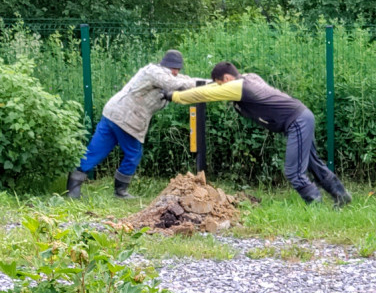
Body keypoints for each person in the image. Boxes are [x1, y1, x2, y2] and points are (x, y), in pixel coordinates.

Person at [162, 62, 352, 208]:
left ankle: (316, 207)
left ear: (227, 79)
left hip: (297, 121)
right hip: (302, 116)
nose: (221, 89)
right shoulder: (249, 77)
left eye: (221, 84)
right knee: (314, 164)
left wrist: (175, 96)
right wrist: (197, 85)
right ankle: (341, 197)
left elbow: (203, 95)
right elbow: (210, 88)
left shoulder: (239, 87)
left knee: (294, 172)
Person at [66, 50, 197, 199]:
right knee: (133, 153)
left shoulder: (163, 73)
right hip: (127, 118)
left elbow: (184, 80)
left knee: (96, 150)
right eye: (174, 68)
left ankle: (72, 190)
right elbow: (173, 83)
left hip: (112, 113)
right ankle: (120, 192)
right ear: (167, 66)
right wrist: (196, 84)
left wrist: (211, 82)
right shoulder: (156, 72)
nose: (176, 71)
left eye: (178, 69)